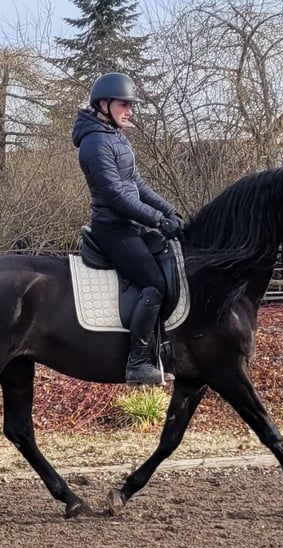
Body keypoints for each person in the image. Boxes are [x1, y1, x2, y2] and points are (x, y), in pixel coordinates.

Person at [72, 72, 183, 386]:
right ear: (104, 104)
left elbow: (137, 185)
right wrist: (158, 221)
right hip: (112, 228)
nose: (130, 110)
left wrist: (169, 210)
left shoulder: (116, 136)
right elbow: (116, 196)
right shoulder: (94, 143)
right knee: (154, 283)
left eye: (130, 104)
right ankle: (136, 363)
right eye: (124, 104)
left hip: (132, 223)